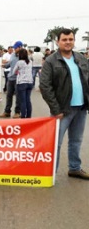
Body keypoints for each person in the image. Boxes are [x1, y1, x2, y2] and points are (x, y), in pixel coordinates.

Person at [40, 28, 89, 180]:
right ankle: (50, 172)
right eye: (64, 40)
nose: (68, 42)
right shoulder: (51, 61)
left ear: (74, 41)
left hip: (80, 108)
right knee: (56, 143)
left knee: (76, 140)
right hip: (62, 111)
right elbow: (45, 86)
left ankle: (74, 168)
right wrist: (56, 109)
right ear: (58, 42)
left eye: (70, 39)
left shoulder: (81, 58)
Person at [0, 41, 22, 119]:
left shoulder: (23, 56)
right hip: (10, 78)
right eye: (14, 47)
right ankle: (7, 111)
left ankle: (17, 112)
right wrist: (4, 66)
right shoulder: (12, 55)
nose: (14, 49)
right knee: (9, 95)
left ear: (20, 47)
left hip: (18, 79)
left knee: (18, 96)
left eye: (16, 47)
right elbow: (10, 64)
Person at [13, 49, 33, 118]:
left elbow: (14, 71)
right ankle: (29, 116)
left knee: (22, 101)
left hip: (21, 82)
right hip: (30, 82)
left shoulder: (19, 62)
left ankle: (23, 116)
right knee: (28, 100)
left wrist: (18, 72)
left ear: (20, 55)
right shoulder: (30, 62)